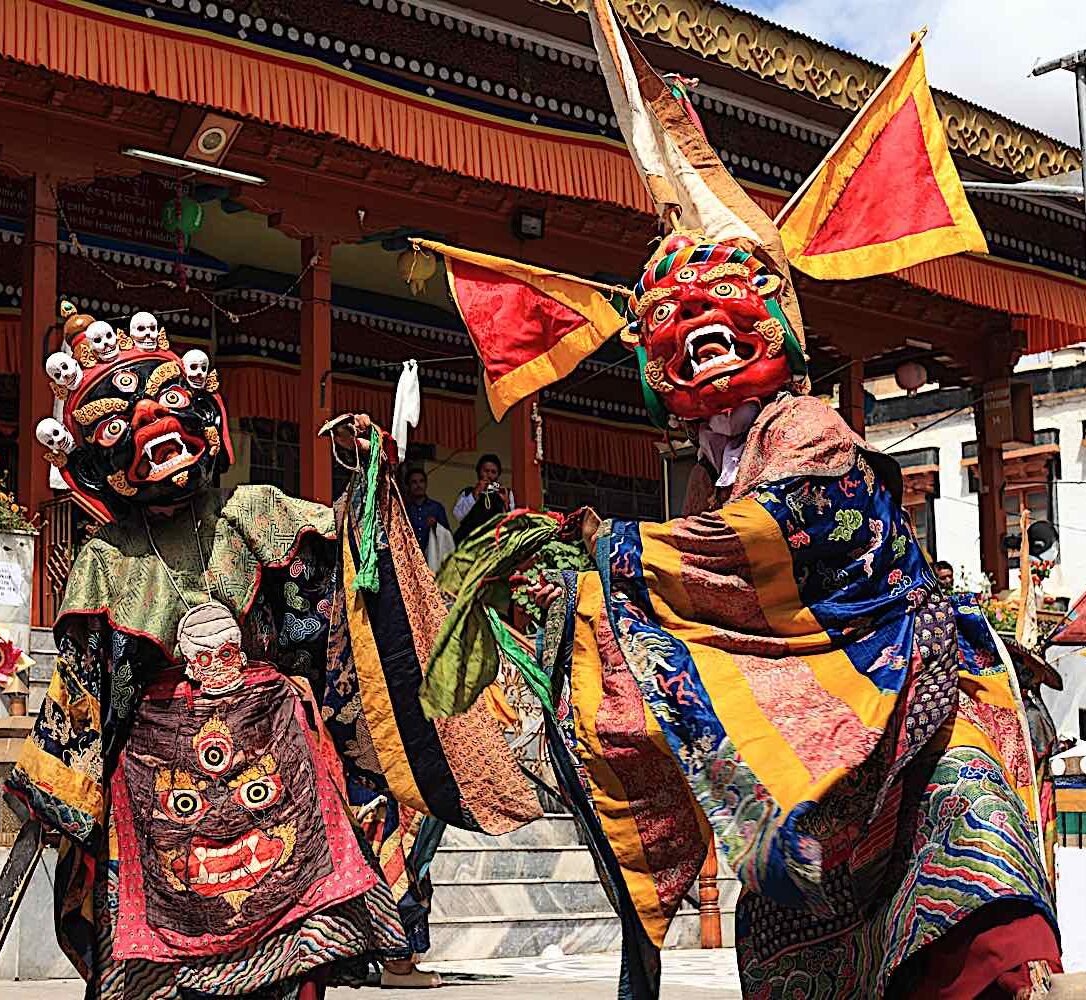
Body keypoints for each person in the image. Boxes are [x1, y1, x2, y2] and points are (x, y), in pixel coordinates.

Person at [428, 231, 1061, 1000]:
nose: (699, 343)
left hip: (903, 684)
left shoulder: (806, 426)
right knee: (786, 895)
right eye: (678, 334)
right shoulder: (707, 475)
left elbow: (770, 535)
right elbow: (696, 599)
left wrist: (616, 550)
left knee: (965, 851)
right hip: (808, 720)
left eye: (719, 316)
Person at [0, 305, 537, 1000]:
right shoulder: (106, 558)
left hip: (277, 756)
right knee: (164, 971)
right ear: (98, 462)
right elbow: (85, 689)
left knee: (295, 958)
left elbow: (339, 590)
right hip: (158, 790)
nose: (154, 428)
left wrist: (366, 484)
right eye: (118, 426)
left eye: (170, 404)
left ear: (208, 418)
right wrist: (59, 788)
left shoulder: (256, 512)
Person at [452, 453, 516, 543]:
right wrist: (475, 494)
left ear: (498, 475)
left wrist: (506, 503)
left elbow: (512, 523)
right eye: (486, 471)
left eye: (493, 472)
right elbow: (459, 516)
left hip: (494, 543)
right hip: (470, 542)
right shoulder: (467, 492)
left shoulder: (506, 493)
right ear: (479, 472)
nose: (489, 475)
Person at [403, 467, 449, 555]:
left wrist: (436, 525)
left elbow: (448, 536)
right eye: (414, 482)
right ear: (408, 486)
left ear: (426, 484)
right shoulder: (404, 509)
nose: (418, 485)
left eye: (421, 481)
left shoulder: (437, 508)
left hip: (432, 559)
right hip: (409, 559)